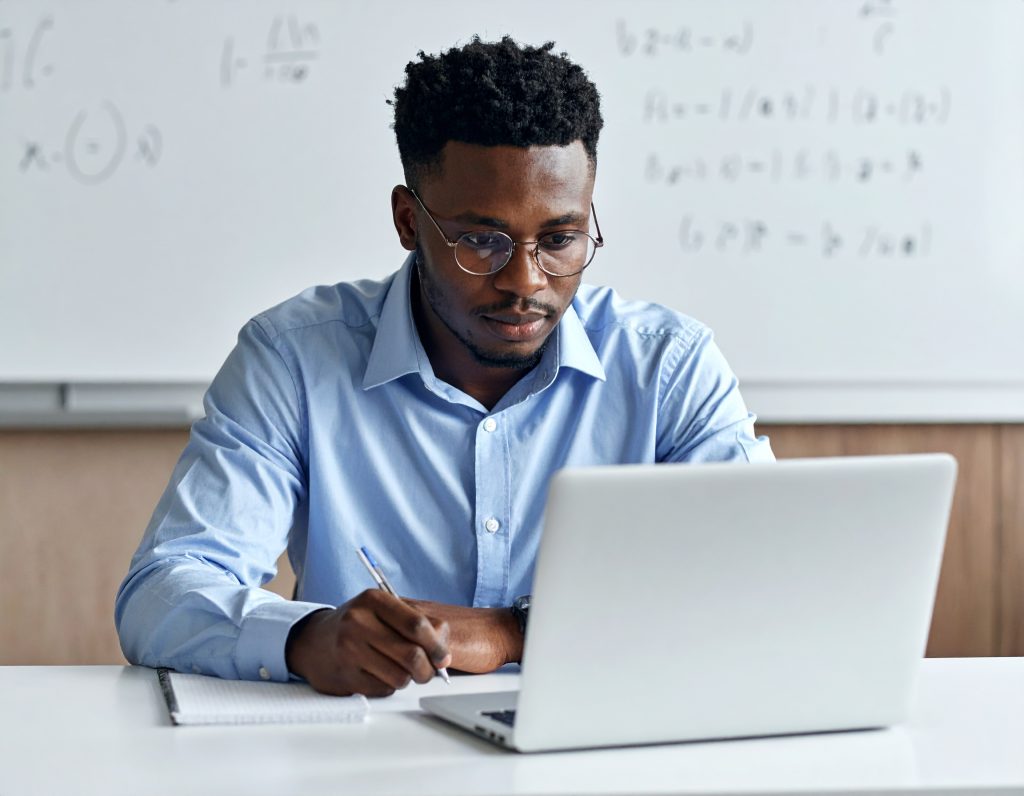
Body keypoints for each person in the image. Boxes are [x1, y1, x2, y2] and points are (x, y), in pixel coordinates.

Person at [115, 36, 773, 697]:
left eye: (559, 239)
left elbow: (770, 582)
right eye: (480, 241)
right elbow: (163, 593)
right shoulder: (294, 360)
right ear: (408, 220)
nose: (525, 280)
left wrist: (514, 631)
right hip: (361, 760)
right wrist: (309, 637)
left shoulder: (668, 365)